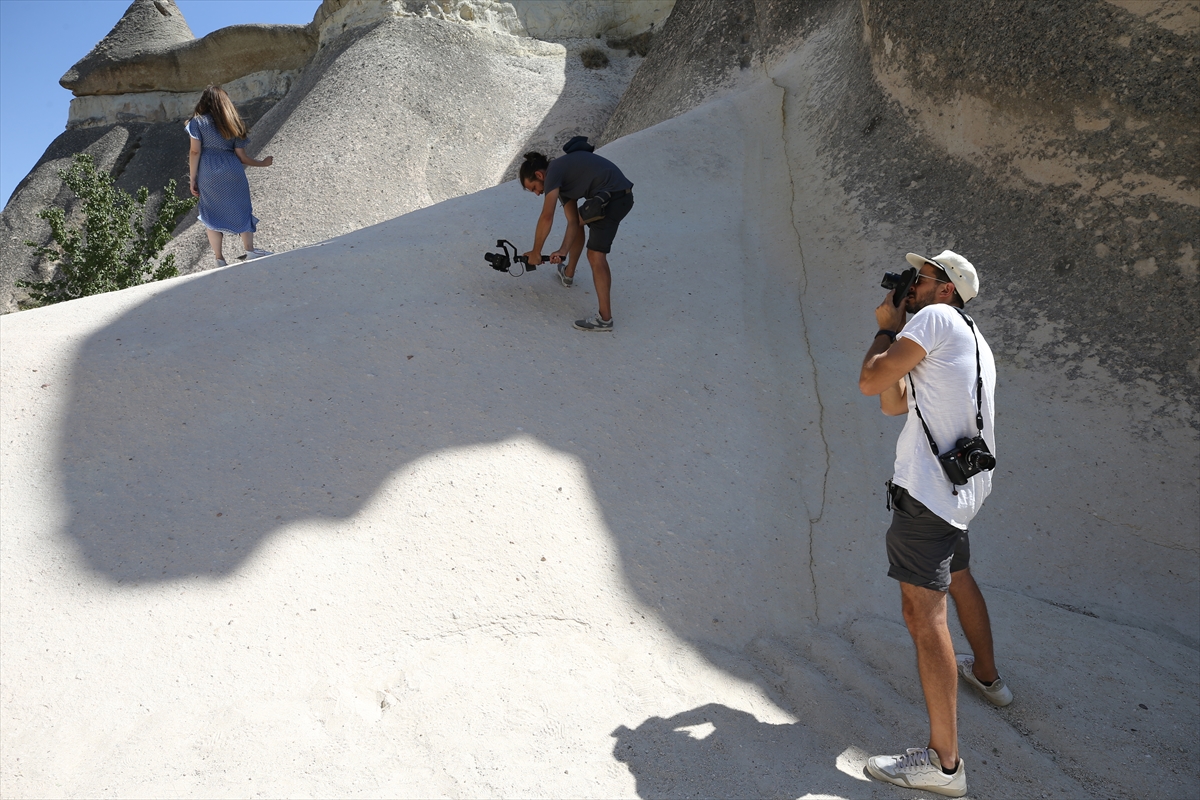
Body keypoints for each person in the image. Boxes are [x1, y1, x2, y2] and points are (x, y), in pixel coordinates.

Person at [857, 250, 1012, 798]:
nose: (912, 285)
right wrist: (898, 333)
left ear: (946, 289)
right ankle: (989, 679)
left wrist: (884, 330)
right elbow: (895, 404)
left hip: (928, 493)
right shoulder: (968, 334)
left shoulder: (933, 318)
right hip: (963, 489)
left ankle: (944, 766)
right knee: (960, 573)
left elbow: (870, 383)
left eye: (921, 279)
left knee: (923, 615)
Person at [519, 143, 634, 332]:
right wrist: (561, 251)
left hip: (613, 198)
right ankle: (568, 273)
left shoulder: (554, 171)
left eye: (534, 188)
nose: (538, 193)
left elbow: (547, 216)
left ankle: (605, 320)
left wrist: (536, 252)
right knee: (579, 220)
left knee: (596, 256)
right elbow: (573, 222)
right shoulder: (562, 179)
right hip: (614, 195)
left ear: (539, 175)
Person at [187, 85, 273, 267]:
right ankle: (250, 250)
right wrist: (262, 163)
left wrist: (192, 179)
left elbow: (195, 152)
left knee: (211, 214)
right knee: (242, 208)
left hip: (208, 171)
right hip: (232, 169)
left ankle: (219, 259)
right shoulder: (234, 123)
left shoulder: (197, 122)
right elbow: (242, 157)